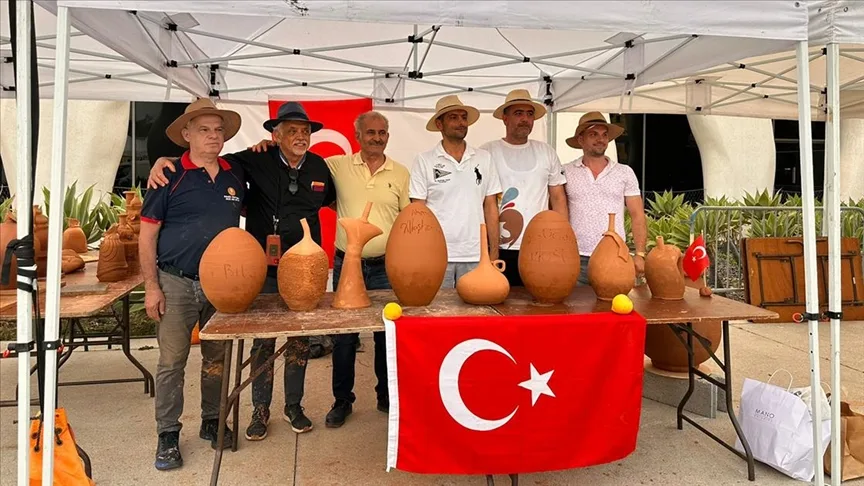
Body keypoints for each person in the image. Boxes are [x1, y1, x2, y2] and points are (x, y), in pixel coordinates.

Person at [146, 101, 336, 441]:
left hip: (303, 270)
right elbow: (201, 162)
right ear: (275, 135)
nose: (300, 136)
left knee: (297, 343)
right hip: (253, 270)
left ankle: (290, 406)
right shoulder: (251, 161)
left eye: (305, 131)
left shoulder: (319, 168)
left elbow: (334, 202)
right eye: (291, 130)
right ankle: (254, 413)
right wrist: (166, 161)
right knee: (259, 343)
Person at [248, 111, 410, 428]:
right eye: (371, 132)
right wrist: (266, 147)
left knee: (386, 336)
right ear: (358, 136)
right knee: (344, 338)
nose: (377, 137)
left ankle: (386, 397)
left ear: (388, 136)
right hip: (346, 263)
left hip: (386, 266)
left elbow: (406, 220)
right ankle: (342, 401)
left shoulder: (401, 173)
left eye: (382, 132)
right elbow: (299, 163)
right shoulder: (335, 166)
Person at [139, 98, 244, 471]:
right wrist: (152, 287)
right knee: (172, 362)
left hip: (221, 285)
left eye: (218, 130)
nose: (213, 136)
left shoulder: (235, 176)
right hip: (175, 282)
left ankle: (212, 421)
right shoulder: (167, 175)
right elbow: (147, 236)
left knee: (216, 358)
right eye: (204, 129)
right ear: (186, 135)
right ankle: (167, 434)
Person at [409, 95, 502, 287]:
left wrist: (493, 253)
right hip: (437, 255)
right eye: (453, 117)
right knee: (438, 312)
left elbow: (491, 207)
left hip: (477, 254)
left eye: (463, 117)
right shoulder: (424, 160)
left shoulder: (484, 158)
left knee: (475, 313)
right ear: (439, 124)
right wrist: (421, 254)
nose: (461, 123)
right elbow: (418, 212)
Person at [480, 89, 568, 286]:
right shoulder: (487, 152)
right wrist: (490, 249)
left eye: (530, 114)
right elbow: (482, 201)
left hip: (541, 245)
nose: (525, 119)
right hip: (499, 247)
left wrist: (562, 241)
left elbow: (558, 199)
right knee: (498, 304)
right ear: (504, 118)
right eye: (518, 113)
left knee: (537, 307)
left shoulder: (546, 152)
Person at [562, 112, 648, 284]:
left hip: (615, 255)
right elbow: (556, 211)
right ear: (580, 140)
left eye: (604, 135)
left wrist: (639, 254)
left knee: (613, 308)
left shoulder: (625, 172)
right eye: (593, 134)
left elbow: (637, 215)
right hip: (576, 257)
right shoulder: (565, 171)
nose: (600, 139)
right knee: (577, 308)